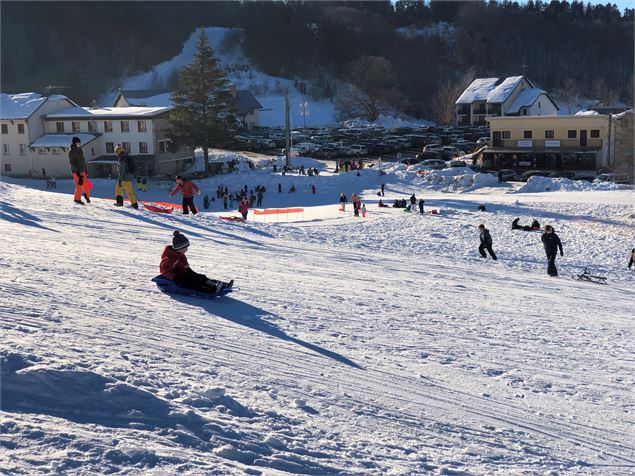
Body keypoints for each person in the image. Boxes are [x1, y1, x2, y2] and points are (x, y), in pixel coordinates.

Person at [160, 231, 232, 293]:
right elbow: (164, 271)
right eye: (185, 248)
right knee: (193, 282)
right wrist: (175, 278)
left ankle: (220, 284)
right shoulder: (170, 258)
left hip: (183, 273)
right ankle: (211, 289)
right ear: (179, 248)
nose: (187, 250)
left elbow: (185, 265)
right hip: (177, 277)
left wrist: (191, 272)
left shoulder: (180, 254)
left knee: (200, 277)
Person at [114, 145, 139, 209]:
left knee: (118, 188)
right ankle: (134, 204)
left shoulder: (122, 158)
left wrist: (120, 180)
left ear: (119, 151)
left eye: (116, 152)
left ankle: (120, 202)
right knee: (129, 191)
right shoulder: (127, 156)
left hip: (124, 177)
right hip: (129, 176)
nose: (116, 153)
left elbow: (121, 170)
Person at [68, 136, 91, 205]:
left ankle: (87, 197)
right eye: (78, 142)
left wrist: (85, 169)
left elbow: (82, 161)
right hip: (77, 171)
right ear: (76, 142)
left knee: (85, 184)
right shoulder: (73, 151)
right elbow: (74, 162)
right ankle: (77, 199)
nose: (79, 144)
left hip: (81, 170)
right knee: (79, 185)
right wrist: (78, 173)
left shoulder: (77, 150)